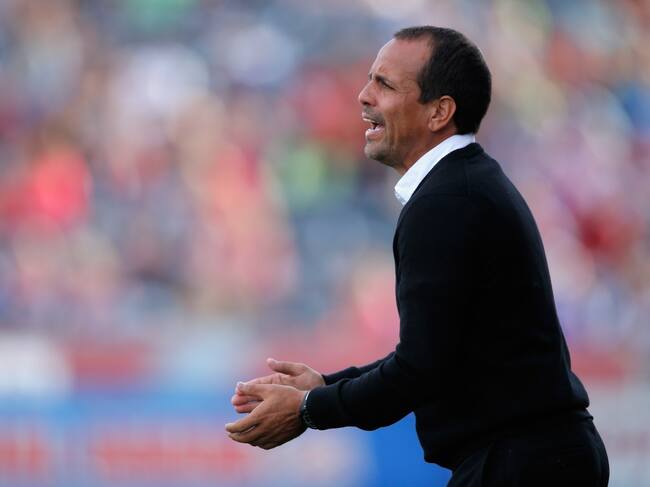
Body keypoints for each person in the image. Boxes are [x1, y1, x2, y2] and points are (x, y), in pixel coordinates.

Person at [225, 26, 609, 487]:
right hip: (536, 457)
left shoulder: (447, 200)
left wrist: (310, 409)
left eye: (385, 84)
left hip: (522, 463)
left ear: (439, 112)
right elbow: (437, 354)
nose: (364, 96)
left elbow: (419, 371)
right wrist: (325, 385)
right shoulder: (464, 186)